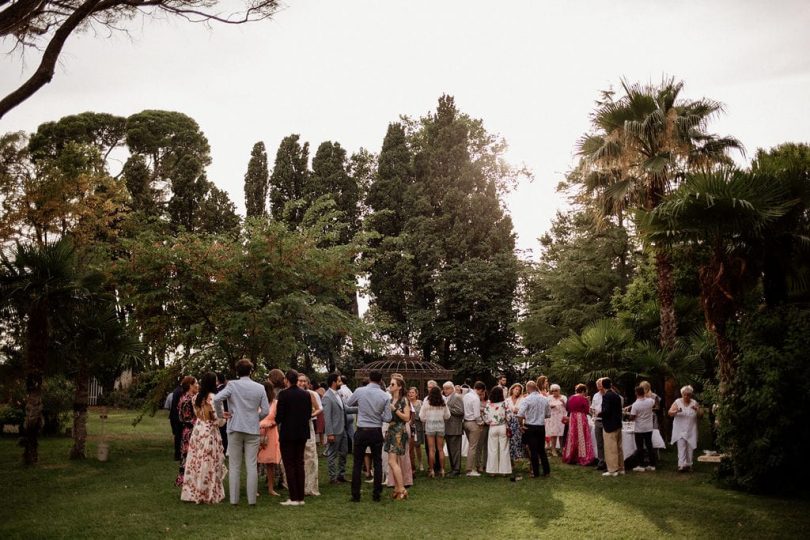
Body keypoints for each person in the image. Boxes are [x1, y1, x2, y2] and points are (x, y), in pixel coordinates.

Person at [213, 359, 270, 506]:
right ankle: (252, 500)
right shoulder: (259, 387)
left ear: (237, 371)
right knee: (251, 465)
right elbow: (266, 411)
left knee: (235, 465)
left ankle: (234, 500)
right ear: (251, 371)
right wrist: (255, 418)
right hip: (252, 429)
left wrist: (221, 414)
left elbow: (217, 398)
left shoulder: (232, 385)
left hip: (235, 427)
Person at [181, 372, 227, 504]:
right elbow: (219, 420)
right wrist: (223, 419)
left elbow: (197, 414)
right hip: (210, 432)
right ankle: (208, 492)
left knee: (196, 461)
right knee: (209, 461)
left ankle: (193, 491)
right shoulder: (215, 398)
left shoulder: (195, 397)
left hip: (198, 431)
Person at [346, 370, 392, 502]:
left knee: (357, 463)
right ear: (381, 380)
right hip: (376, 431)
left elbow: (348, 404)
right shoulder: (385, 396)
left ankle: (355, 495)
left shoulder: (360, 391)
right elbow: (388, 418)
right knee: (377, 462)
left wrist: (362, 409)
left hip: (362, 430)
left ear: (369, 378)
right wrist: (377, 415)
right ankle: (376, 494)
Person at [384, 375, 411, 499]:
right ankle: (397, 488)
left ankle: (402, 489)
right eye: (390, 384)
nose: (390, 386)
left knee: (392, 461)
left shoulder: (404, 400)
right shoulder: (389, 400)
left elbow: (407, 418)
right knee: (393, 462)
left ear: (399, 387)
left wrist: (395, 410)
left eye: (393, 384)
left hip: (399, 431)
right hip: (391, 430)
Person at [517, 380, 551, 478]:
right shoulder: (544, 399)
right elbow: (548, 414)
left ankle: (535, 472)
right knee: (542, 450)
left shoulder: (527, 399)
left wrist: (520, 425)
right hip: (540, 426)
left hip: (530, 426)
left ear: (528, 388)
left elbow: (520, 414)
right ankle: (546, 471)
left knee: (533, 450)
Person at [323, 373, 352, 484]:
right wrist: (329, 433)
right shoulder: (327, 397)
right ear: (334, 382)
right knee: (332, 454)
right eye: (339, 381)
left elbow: (347, 409)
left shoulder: (338, 394)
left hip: (342, 430)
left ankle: (341, 475)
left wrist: (362, 408)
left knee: (344, 453)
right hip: (334, 431)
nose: (341, 383)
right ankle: (332, 478)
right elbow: (327, 417)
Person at [297, 374, 323, 497]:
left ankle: (311, 487)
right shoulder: (292, 394)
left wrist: (312, 415)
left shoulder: (311, 394)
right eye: (300, 381)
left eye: (304, 381)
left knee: (311, 456)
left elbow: (319, 409)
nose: (302, 383)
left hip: (308, 426)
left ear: (307, 383)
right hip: (295, 428)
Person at [669, 385, 702, 472]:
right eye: (685, 394)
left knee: (690, 447)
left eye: (688, 395)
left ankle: (689, 465)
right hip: (680, 428)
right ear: (682, 394)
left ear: (691, 395)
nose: (686, 396)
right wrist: (676, 411)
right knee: (681, 446)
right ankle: (681, 465)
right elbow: (670, 413)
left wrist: (697, 410)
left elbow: (701, 415)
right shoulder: (677, 402)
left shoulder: (694, 402)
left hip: (691, 428)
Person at [419, 385, 450, 477]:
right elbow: (447, 415)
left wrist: (427, 419)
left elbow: (421, 416)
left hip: (430, 426)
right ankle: (442, 470)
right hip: (440, 426)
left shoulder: (426, 402)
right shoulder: (443, 402)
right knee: (440, 449)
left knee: (431, 449)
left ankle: (431, 470)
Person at [562, 384, 595, 466]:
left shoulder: (570, 398)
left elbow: (567, 408)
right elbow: (587, 410)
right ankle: (582, 456)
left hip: (572, 417)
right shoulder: (583, 399)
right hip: (581, 417)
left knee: (572, 436)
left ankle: (571, 456)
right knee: (582, 437)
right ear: (583, 391)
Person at [258, 381, 281, 496]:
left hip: (271, 433)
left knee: (270, 462)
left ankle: (271, 488)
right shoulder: (256, 403)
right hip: (257, 432)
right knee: (255, 461)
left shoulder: (276, 403)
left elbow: (279, 418)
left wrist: (271, 424)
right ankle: (254, 488)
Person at [598, 378, 625, 477]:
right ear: (611, 384)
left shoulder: (606, 396)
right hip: (618, 424)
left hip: (609, 425)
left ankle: (613, 470)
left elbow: (606, 411)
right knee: (619, 447)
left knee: (610, 448)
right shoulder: (616, 395)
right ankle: (621, 468)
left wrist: (599, 413)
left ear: (602, 386)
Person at [483, 386, 511, 477]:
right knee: (504, 449)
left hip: (493, 427)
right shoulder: (505, 403)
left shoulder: (488, 404)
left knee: (492, 449)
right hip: (502, 426)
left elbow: (485, 417)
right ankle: (504, 471)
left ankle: (492, 471)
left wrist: (489, 422)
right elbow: (509, 416)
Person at [175, 375, 198, 486]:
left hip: (188, 430)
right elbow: (186, 418)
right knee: (188, 455)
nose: (198, 386)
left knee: (188, 455)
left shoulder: (186, 398)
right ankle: (186, 480)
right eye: (196, 384)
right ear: (190, 386)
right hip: (190, 431)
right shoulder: (187, 400)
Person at [629, 385, 656, 472]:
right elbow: (654, 403)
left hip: (639, 428)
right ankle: (652, 464)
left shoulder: (635, 405)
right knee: (649, 446)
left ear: (636, 393)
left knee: (640, 447)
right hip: (648, 427)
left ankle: (641, 464)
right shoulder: (650, 401)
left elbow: (632, 417)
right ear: (644, 392)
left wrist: (628, 415)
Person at [463, 381, 485, 476]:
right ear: (480, 389)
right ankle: (469, 470)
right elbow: (476, 415)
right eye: (482, 392)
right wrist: (481, 423)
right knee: (473, 447)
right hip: (473, 423)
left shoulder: (466, 396)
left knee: (471, 446)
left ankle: (472, 467)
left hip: (465, 422)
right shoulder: (476, 398)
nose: (482, 394)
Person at [443, 381, 465, 477]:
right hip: (448, 427)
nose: (445, 390)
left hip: (455, 427)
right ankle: (453, 468)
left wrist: (447, 408)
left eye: (447, 388)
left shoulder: (457, 397)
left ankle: (456, 469)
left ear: (452, 388)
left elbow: (460, 411)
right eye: (444, 388)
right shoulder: (448, 398)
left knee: (455, 450)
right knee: (450, 449)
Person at [505, 383, 525, 466]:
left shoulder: (522, 399)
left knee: (517, 441)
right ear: (512, 389)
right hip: (509, 422)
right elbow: (504, 410)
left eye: (519, 390)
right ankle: (510, 461)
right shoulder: (507, 400)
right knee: (509, 441)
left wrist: (519, 411)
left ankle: (516, 457)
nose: (517, 391)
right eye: (516, 389)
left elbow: (524, 411)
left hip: (518, 422)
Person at [546, 384, 567, 456]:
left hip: (561, 418)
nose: (554, 392)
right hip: (553, 418)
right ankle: (553, 450)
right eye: (553, 391)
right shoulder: (549, 398)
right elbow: (546, 408)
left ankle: (561, 449)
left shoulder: (564, 397)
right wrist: (550, 407)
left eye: (556, 390)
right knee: (553, 434)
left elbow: (567, 407)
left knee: (562, 434)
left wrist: (563, 402)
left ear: (559, 390)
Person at [407, 387, 425, 472]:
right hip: (409, 426)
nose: (411, 394)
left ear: (416, 394)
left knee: (417, 446)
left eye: (412, 392)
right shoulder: (406, 403)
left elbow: (423, 414)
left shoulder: (420, 403)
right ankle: (411, 463)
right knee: (409, 446)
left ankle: (420, 462)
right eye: (410, 392)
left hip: (418, 426)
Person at [167, 376, 184, 461]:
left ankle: (178, 453)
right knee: (179, 436)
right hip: (177, 417)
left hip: (174, 416)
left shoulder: (176, 390)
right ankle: (178, 454)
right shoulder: (180, 391)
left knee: (178, 436)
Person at [591, 378, 607, 470]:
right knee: (599, 443)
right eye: (597, 384)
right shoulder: (596, 395)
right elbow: (593, 407)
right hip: (597, 421)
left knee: (607, 443)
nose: (599, 386)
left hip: (606, 421)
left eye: (600, 384)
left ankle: (608, 462)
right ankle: (601, 462)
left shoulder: (608, 394)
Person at [215, 373, 229, 453]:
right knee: (225, 433)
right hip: (227, 411)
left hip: (222, 412)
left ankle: (223, 449)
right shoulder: (227, 388)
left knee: (222, 432)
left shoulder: (218, 390)